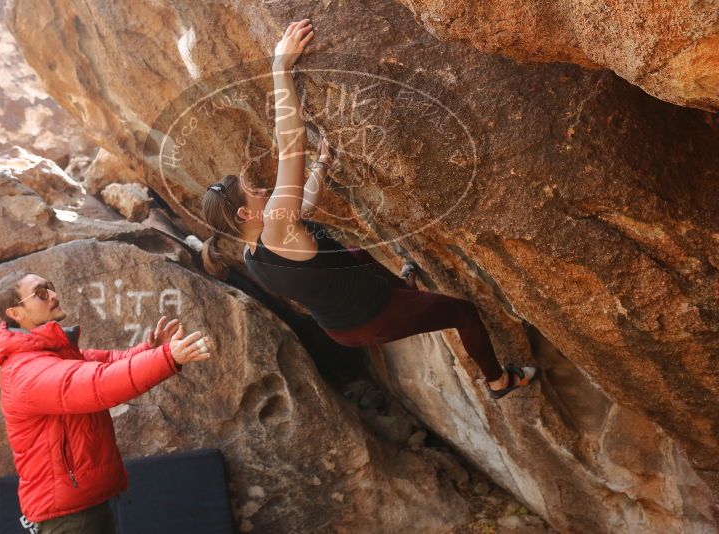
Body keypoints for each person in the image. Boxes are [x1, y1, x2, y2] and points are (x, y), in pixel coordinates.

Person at [199, 19, 537, 400]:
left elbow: (304, 204)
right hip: (374, 318)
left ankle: (404, 287)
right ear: (245, 214)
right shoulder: (276, 227)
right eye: (254, 191)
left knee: (356, 255)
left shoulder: (250, 250)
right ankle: (498, 381)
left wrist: (322, 167)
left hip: (341, 326)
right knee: (463, 313)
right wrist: (280, 68)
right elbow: (290, 145)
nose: (263, 189)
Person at [0, 271, 211, 533]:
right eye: (41, 293)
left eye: (50, 287)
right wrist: (168, 358)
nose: (54, 295)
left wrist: (151, 351)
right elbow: (99, 382)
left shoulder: (51, 354)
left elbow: (110, 362)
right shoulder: (27, 372)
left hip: (82, 505)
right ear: (16, 313)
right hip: (69, 519)